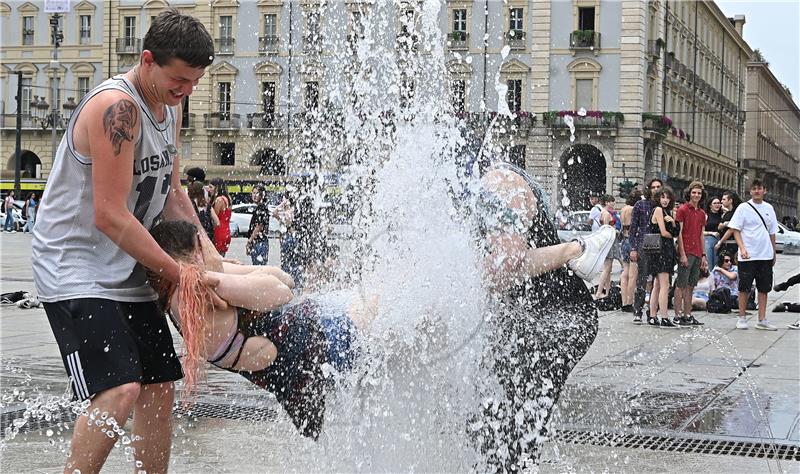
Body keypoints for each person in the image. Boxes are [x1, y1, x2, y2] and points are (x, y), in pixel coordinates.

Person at [30, 10, 218, 473]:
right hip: (74, 268)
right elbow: (110, 215)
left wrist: (210, 258)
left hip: (127, 268)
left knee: (159, 386)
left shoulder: (168, 109)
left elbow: (173, 193)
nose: (186, 91)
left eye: (194, 82)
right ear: (147, 59)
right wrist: (180, 275)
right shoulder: (118, 108)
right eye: (179, 80)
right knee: (120, 389)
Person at [466, 157, 616, 470]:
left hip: (556, 317)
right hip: (529, 316)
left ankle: (580, 249)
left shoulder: (499, 185)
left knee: (501, 432)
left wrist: (572, 250)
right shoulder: (486, 184)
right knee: (494, 429)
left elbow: (503, 270)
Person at [729, 178, 779, 331]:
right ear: (750, 191)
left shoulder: (769, 208)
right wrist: (742, 248)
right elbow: (735, 229)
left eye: (760, 188)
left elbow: (772, 232)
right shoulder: (743, 208)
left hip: (765, 254)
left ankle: (762, 319)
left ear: (765, 190)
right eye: (754, 188)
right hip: (748, 254)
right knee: (744, 287)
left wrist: (773, 251)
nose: (757, 191)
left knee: (764, 288)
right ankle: (742, 318)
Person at [630, 178, 663, 324]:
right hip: (644, 242)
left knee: (657, 280)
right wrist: (633, 248)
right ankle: (638, 311)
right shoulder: (640, 204)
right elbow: (633, 229)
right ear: (648, 188)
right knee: (642, 279)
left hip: (660, 243)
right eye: (653, 187)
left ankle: (652, 311)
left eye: (658, 187)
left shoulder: (662, 205)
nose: (656, 189)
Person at [646, 186, 681, 328]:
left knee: (658, 285)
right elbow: (665, 232)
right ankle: (664, 317)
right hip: (662, 250)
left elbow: (675, 231)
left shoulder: (666, 211)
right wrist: (672, 226)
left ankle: (653, 315)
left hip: (662, 250)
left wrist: (672, 223)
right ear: (658, 198)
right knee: (664, 285)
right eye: (663, 197)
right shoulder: (659, 210)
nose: (665, 200)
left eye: (667, 197)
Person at [673, 181, 707, 326]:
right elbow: (679, 233)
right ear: (689, 193)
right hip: (686, 250)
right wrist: (682, 253)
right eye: (694, 192)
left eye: (699, 193)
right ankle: (677, 315)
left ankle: (688, 314)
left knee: (691, 285)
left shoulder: (701, 213)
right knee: (681, 284)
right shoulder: (682, 210)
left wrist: (703, 255)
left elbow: (701, 235)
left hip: (697, 252)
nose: (696, 195)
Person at [594, 194, 622, 300]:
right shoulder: (606, 213)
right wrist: (615, 230)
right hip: (609, 242)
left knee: (608, 269)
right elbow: (606, 229)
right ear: (606, 203)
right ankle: (599, 292)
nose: (613, 203)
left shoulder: (604, 212)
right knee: (606, 268)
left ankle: (607, 291)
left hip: (609, 242)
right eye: (612, 201)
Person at [619, 189, 642, 312]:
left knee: (624, 272)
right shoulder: (633, 210)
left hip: (623, 240)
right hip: (632, 241)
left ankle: (623, 301)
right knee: (633, 274)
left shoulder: (623, 209)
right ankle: (629, 301)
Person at [246, 184, 271, 265]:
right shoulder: (260, 207)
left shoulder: (261, 208)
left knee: (259, 269)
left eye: (257, 193)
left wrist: (249, 241)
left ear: (262, 195)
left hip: (259, 243)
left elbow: (259, 226)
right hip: (259, 242)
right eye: (253, 193)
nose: (254, 195)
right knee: (259, 267)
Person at [715, 190, 742, 258]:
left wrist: (720, 242)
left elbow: (731, 230)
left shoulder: (733, 214)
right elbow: (719, 227)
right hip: (730, 244)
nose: (721, 201)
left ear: (730, 201)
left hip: (729, 244)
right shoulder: (728, 213)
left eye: (724, 199)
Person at [209, 177, 232, 256]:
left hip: (218, 231)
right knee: (222, 256)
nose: (209, 189)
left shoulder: (219, 200)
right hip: (226, 231)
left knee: (215, 257)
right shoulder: (227, 198)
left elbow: (214, 216)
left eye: (211, 187)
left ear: (217, 188)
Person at [704, 196, 723, 269]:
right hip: (708, 240)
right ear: (710, 205)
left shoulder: (722, 215)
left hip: (720, 242)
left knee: (718, 264)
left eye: (718, 203)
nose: (717, 205)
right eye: (714, 203)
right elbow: (700, 231)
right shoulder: (706, 215)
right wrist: (711, 233)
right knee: (709, 264)